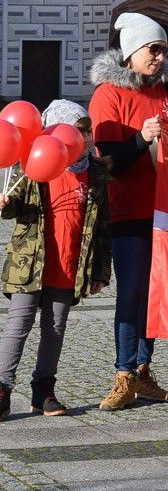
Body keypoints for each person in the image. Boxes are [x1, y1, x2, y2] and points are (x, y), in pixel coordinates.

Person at [89, 12, 168, 410]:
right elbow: (107, 158)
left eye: (163, 48)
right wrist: (141, 139)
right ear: (132, 51)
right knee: (131, 293)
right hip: (128, 209)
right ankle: (123, 372)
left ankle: (144, 370)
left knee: (155, 294)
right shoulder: (108, 95)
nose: (159, 55)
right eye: (153, 48)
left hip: (166, 210)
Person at [0, 102, 111, 421]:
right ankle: (2, 389)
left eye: (88, 131)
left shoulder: (96, 171)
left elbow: (103, 226)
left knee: (55, 327)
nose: (86, 137)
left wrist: (100, 271)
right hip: (29, 261)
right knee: (18, 324)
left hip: (69, 263)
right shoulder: (33, 162)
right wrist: (6, 204)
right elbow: (16, 207)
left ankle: (43, 391)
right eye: (79, 130)